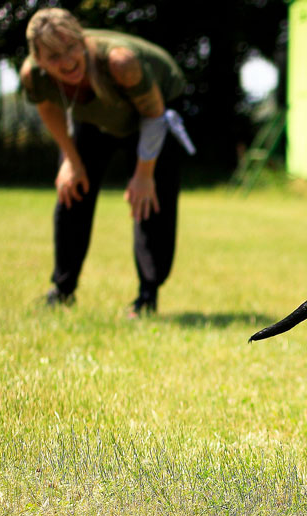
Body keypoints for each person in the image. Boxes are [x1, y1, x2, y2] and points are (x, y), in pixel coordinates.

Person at [21, 8, 195, 317]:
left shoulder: (120, 62)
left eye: (72, 48)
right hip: (96, 117)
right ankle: (62, 289)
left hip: (154, 111)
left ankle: (146, 296)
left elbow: (154, 114)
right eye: (54, 56)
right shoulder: (34, 76)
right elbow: (48, 108)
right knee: (72, 191)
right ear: (38, 59)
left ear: (82, 39)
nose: (68, 61)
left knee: (150, 201)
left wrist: (143, 174)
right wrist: (70, 160)